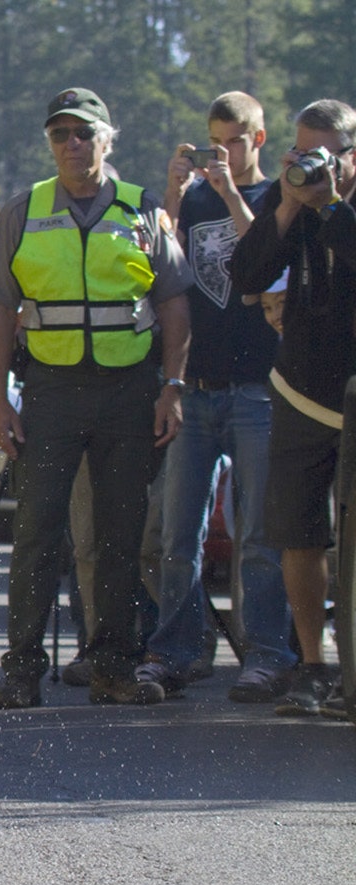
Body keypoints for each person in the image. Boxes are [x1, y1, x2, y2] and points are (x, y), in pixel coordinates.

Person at [0, 88, 193, 709]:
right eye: (60, 134)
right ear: (50, 143)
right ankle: (21, 669)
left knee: (120, 536)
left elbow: (175, 302)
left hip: (130, 392)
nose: (72, 144)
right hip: (50, 391)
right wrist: (0, 401)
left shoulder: (142, 210)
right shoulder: (24, 211)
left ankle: (114, 666)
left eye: (84, 133)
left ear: (107, 139)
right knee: (38, 533)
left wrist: (172, 387)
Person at [139, 91, 291, 702]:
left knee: (259, 535)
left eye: (233, 139)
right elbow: (157, 263)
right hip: (195, 388)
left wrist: (230, 192)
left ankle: (268, 655)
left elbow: (266, 260)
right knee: (177, 536)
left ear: (257, 140)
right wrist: (174, 191)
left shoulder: (279, 194)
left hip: (257, 387)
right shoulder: (194, 197)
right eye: (212, 140)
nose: (220, 152)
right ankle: (175, 652)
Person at [232, 98, 356, 717]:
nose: (311, 164)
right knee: (299, 536)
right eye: (301, 150)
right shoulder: (295, 206)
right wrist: (285, 202)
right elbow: (246, 273)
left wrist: (332, 204)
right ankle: (311, 667)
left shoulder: (335, 207)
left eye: (324, 153)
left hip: (355, 396)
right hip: (302, 389)